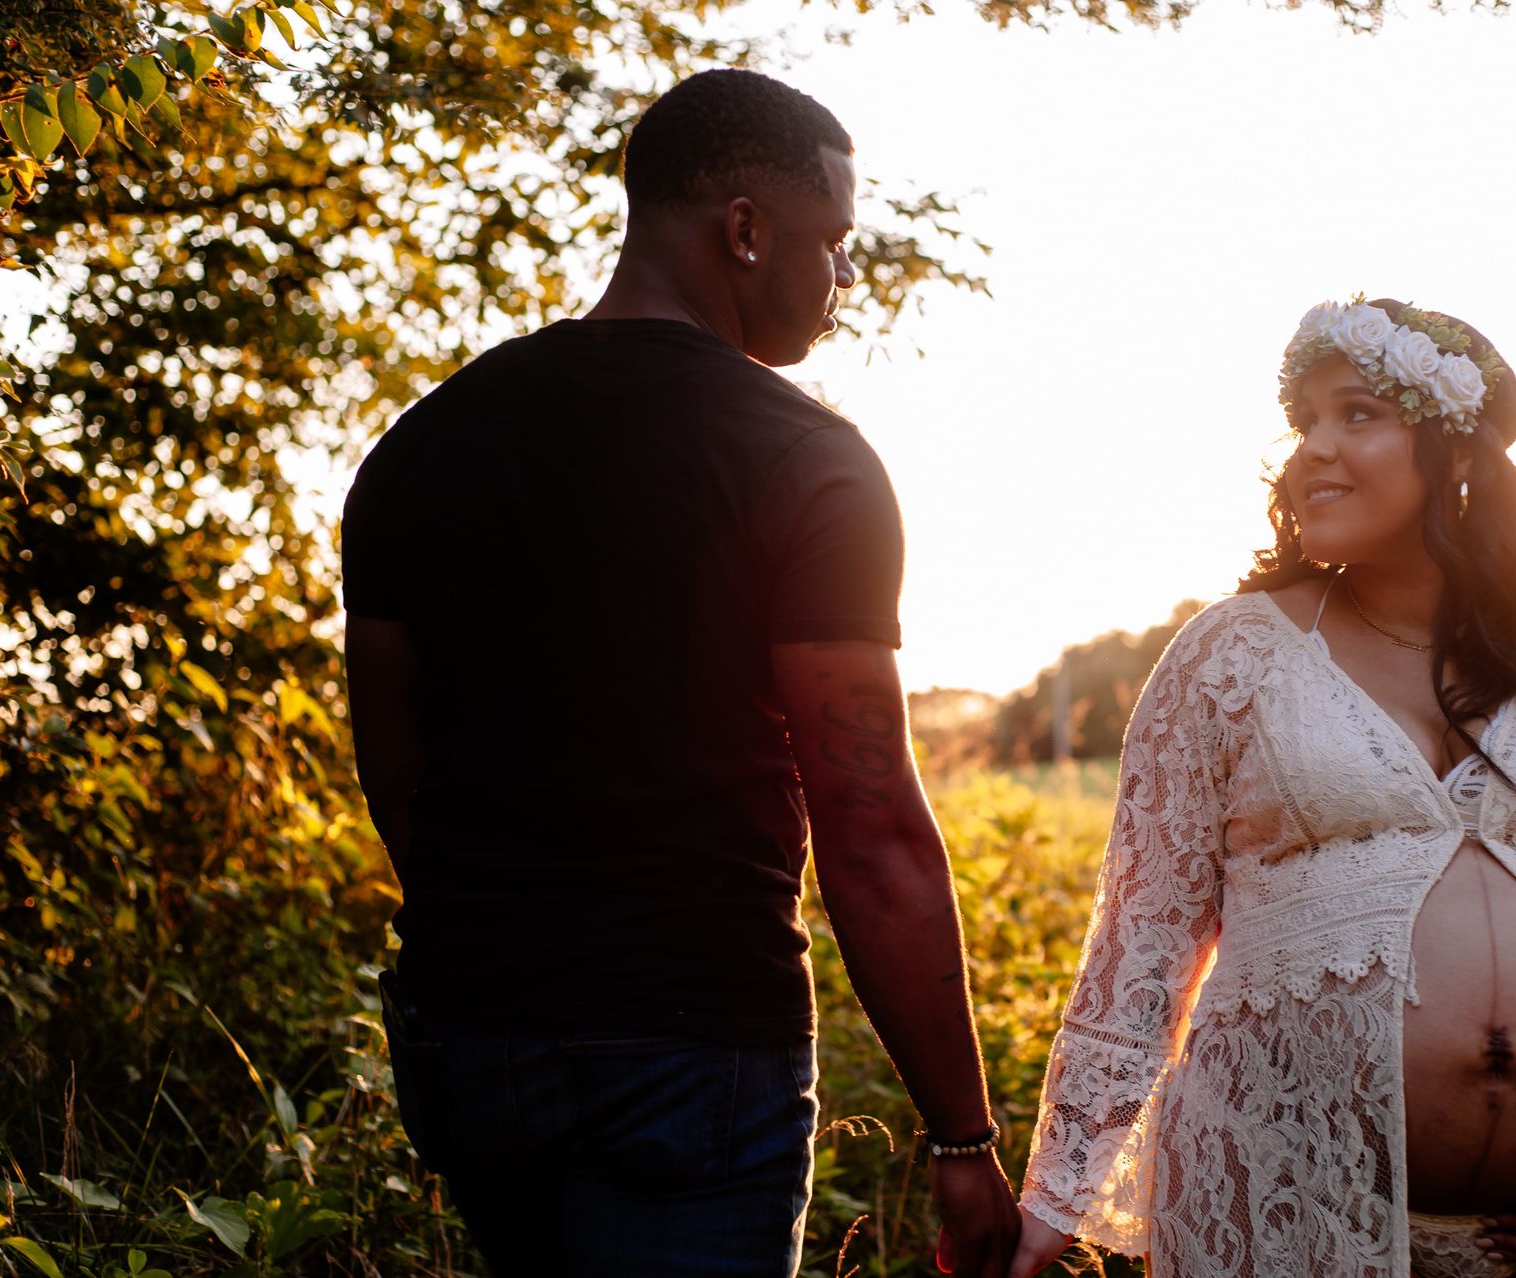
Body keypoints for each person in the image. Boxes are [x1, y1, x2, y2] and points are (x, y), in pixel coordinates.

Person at [341, 68, 1019, 1278]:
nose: (845, 277)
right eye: (835, 241)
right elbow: (872, 836)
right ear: (745, 231)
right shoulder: (807, 461)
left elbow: (394, 762)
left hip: (468, 1040)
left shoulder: (421, 443)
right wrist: (961, 1137)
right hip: (691, 1048)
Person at [1007, 298, 1516, 1278]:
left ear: (1457, 450)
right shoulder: (1232, 654)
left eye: (1358, 414)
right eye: (1305, 421)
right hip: (1283, 1210)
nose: (1313, 449)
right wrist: (1054, 1196)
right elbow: (1143, 943)